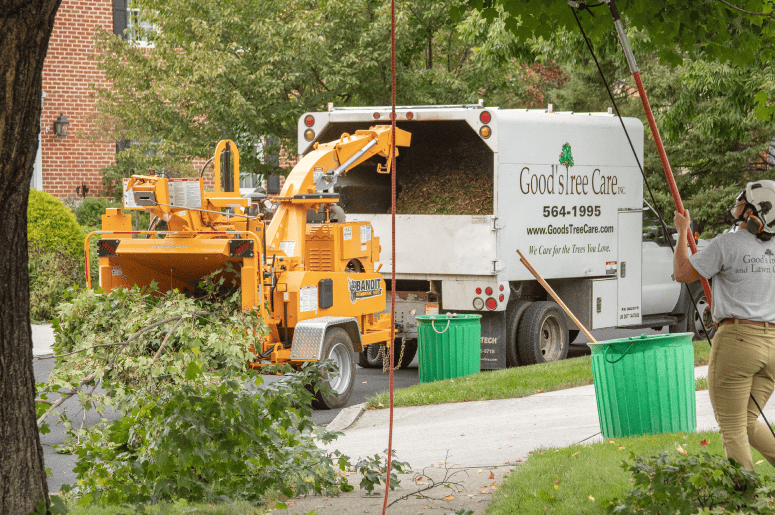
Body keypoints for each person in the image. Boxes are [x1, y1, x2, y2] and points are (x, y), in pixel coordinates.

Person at [673, 180, 775, 471]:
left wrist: (682, 231)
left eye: (742, 199)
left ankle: (747, 500)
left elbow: (682, 272)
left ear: (756, 209)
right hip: (773, 347)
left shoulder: (727, 243)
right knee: (747, 423)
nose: (736, 203)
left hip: (738, 342)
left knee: (732, 427)